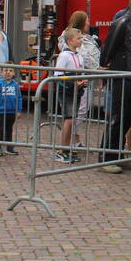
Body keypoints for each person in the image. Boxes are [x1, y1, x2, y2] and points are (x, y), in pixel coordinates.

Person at [98, 0, 131, 173]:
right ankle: (106, 158)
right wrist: (104, 66)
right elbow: (109, 45)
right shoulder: (122, 23)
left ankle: (118, 155)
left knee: (127, 118)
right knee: (118, 118)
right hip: (122, 77)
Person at [62, 11, 101, 151]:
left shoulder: (88, 38)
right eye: (87, 21)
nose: (89, 23)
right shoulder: (69, 38)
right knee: (78, 111)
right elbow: (82, 56)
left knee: (83, 110)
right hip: (77, 81)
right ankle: (69, 142)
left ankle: (75, 139)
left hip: (87, 78)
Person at [54, 28, 87, 163]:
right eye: (78, 38)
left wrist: (82, 82)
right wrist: (74, 83)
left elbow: (82, 72)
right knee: (68, 119)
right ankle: (62, 150)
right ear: (69, 41)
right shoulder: (64, 56)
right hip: (67, 91)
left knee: (72, 119)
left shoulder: (79, 56)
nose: (80, 40)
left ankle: (67, 149)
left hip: (77, 91)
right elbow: (58, 75)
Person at [0, 64, 22, 157]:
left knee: (9, 130)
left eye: (10, 70)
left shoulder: (15, 85)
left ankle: (9, 147)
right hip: (0, 112)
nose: (8, 72)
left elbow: (19, 98)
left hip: (11, 112)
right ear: (2, 72)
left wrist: (19, 110)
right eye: (6, 70)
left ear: (14, 73)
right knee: (0, 130)